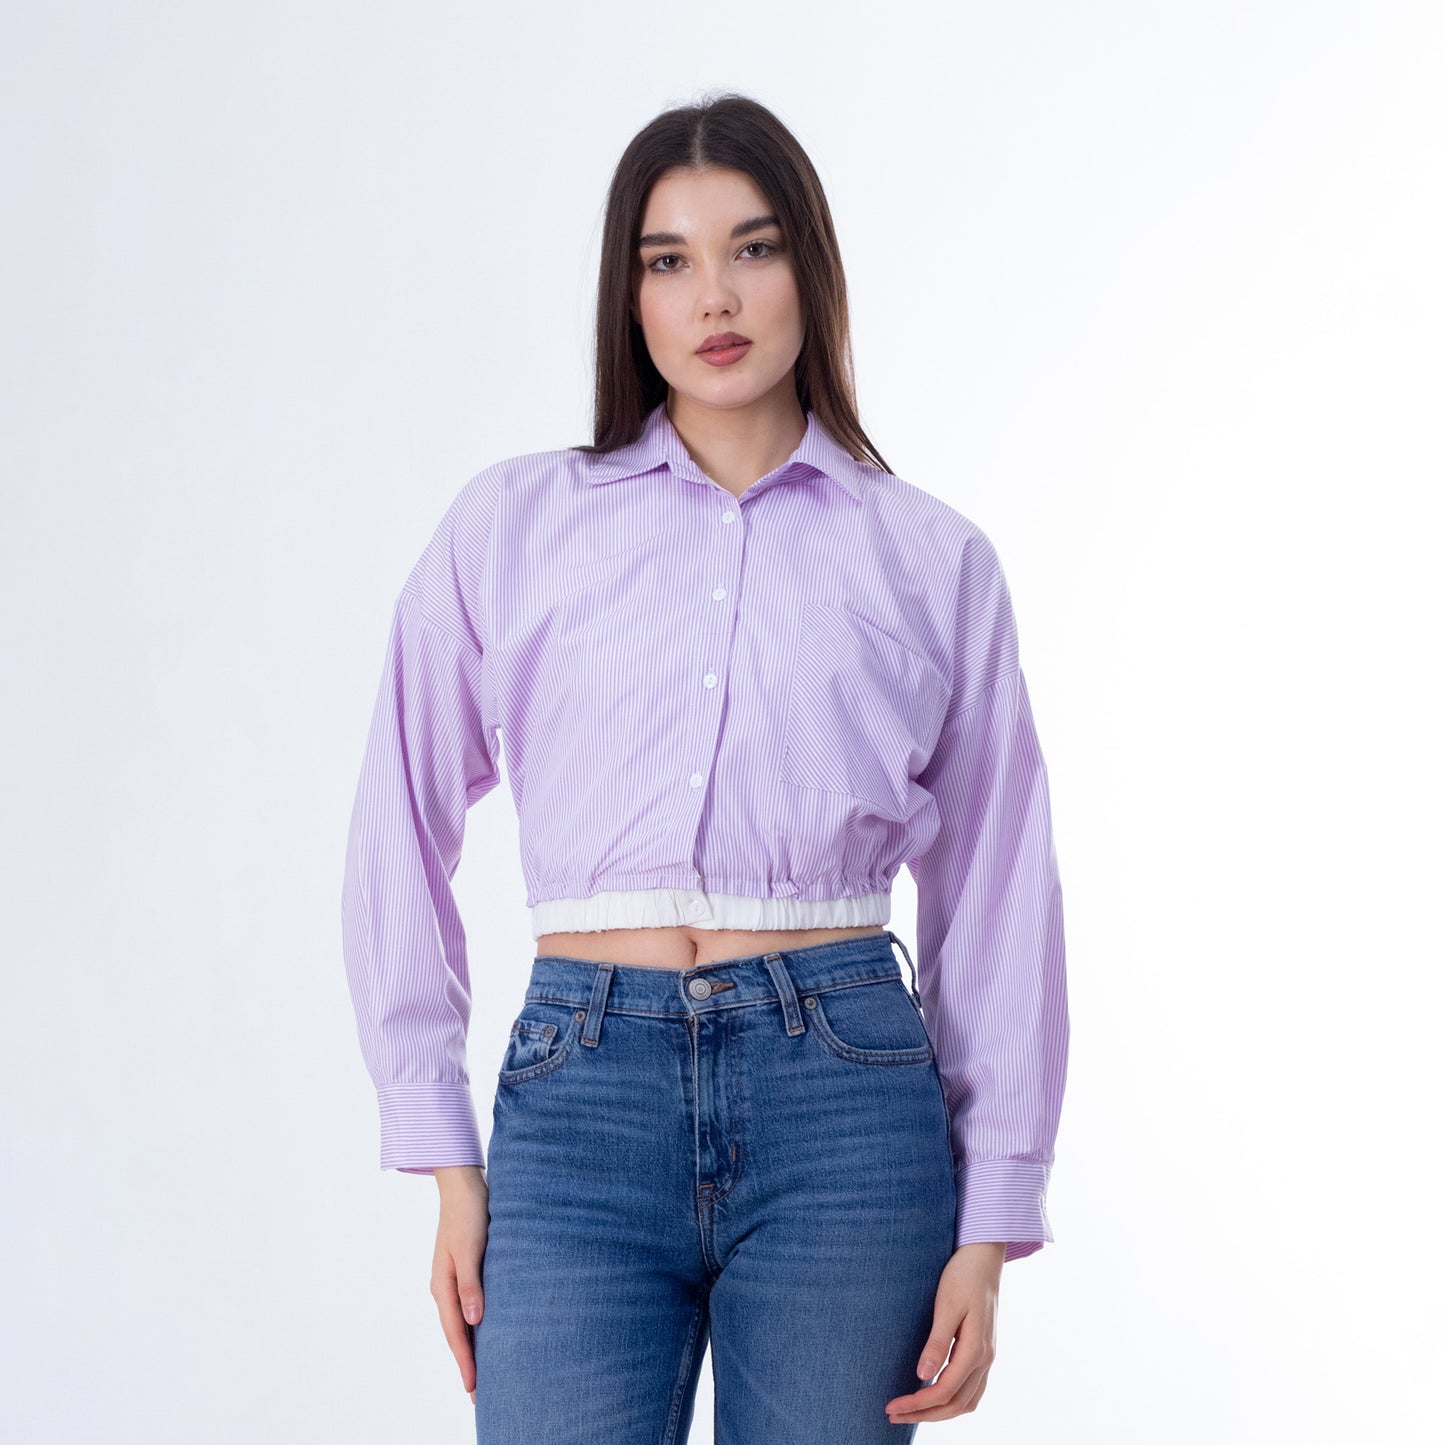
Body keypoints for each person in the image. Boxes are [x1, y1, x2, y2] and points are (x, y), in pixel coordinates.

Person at [341, 91, 1069, 1443]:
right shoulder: (512, 525)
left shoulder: (929, 558)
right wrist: (441, 1146)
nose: (713, 296)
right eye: (667, 259)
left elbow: (998, 890)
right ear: (628, 296)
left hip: (846, 1107)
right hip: (581, 1096)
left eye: (753, 247)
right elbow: (398, 816)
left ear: (811, 270)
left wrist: (992, 1219)